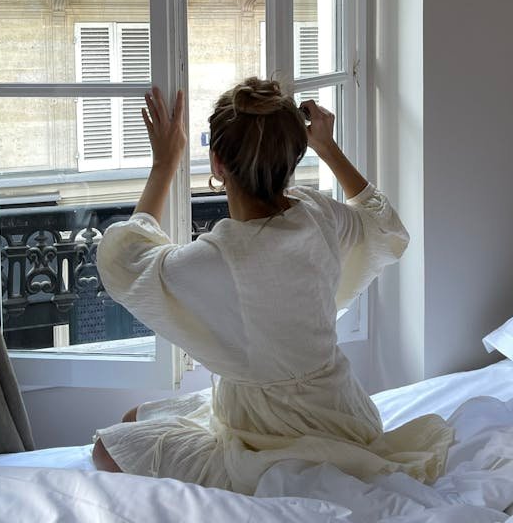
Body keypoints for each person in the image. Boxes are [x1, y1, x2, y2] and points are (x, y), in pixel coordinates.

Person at [92, 78, 452, 494]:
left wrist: (165, 164)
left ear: (217, 164)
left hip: (268, 431)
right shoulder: (318, 213)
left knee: (108, 446)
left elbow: (126, 260)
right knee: (136, 420)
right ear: (293, 158)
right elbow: (383, 223)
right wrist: (328, 147)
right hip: (345, 414)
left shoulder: (217, 257)